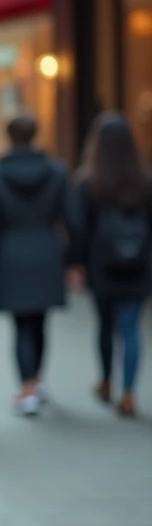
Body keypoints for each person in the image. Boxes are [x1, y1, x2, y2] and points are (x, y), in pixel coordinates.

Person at [68, 112, 152, 419]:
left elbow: (78, 227)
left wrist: (76, 263)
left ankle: (107, 381)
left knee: (105, 326)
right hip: (139, 266)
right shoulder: (144, 180)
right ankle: (129, 392)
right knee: (130, 329)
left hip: (101, 265)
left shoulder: (88, 182)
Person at [0, 112, 68, 416]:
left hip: (12, 253)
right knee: (40, 321)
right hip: (46, 250)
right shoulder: (56, 172)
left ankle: (27, 385)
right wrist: (72, 260)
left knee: (21, 326)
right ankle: (36, 381)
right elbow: (68, 218)